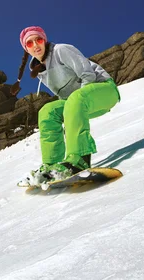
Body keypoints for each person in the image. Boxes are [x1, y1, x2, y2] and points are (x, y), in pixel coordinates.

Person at [11, 26, 120, 183]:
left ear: (44, 40)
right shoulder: (41, 71)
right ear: (26, 49)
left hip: (104, 91)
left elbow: (87, 75)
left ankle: (79, 158)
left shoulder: (61, 50)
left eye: (39, 40)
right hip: (79, 103)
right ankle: (52, 166)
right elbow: (64, 98)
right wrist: (73, 108)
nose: (35, 45)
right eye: (29, 43)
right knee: (47, 111)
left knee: (75, 99)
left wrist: (77, 103)